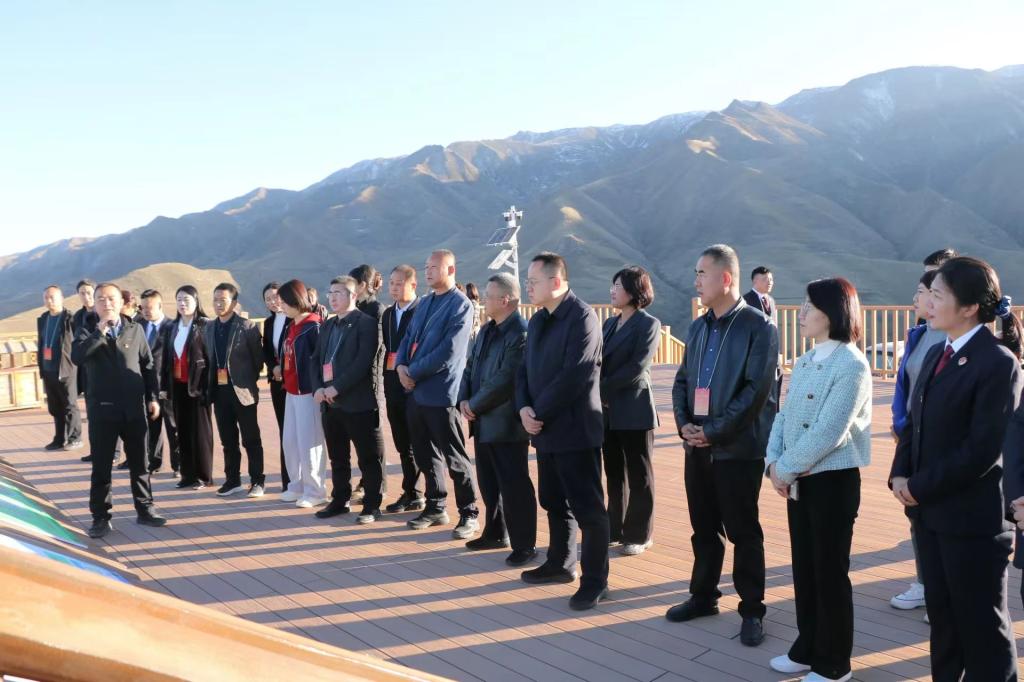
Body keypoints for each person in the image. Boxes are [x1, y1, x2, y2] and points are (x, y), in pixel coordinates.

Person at [890, 257, 1022, 681]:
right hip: (930, 514)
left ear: (969, 307)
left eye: (938, 295)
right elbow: (913, 424)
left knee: (983, 629)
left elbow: (982, 450)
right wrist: (899, 474)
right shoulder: (937, 352)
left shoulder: (998, 362)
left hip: (971, 521)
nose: (928, 303)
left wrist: (919, 486)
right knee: (944, 622)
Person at [667, 244, 778, 647]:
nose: (696, 281)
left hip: (737, 448)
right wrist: (684, 424)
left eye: (702, 273)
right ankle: (703, 596)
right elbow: (682, 381)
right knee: (703, 527)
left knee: (743, 531)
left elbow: (755, 393)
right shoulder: (698, 327)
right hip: (697, 444)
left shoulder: (759, 327)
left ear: (725, 278)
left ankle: (752, 609)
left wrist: (712, 431)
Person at [765, 278, 872, 682]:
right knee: (805, 569)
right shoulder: (808, 360)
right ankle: (807, 647)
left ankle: (835, 663)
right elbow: (783, 415)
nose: (802, 312)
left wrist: (785, 468)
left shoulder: (852, 365)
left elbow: (830, 432)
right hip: (798, 478)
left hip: (832, 482)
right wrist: (773, 463)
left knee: (829, 573)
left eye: (810, 306)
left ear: (834, 312)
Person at [516, 252, 609, 611]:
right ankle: (560, 563)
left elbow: (575, 375)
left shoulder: (582, 317)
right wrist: (523, 408)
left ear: (556, 282)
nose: (528, 286)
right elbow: (523, 370)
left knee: (588, 509)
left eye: (533, 281)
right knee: (553, 501)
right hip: (544, 429)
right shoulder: (539, 320)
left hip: (575, 430)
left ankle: (595, 580)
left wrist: (536, 412)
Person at [71, 283, 167, 538]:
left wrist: (153, 397)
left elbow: (148, 366)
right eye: (101, 299)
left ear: (121, 302)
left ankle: (145, 509)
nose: (107, 303)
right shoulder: (85, 329)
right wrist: (99, 333)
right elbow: (77, 357)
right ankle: (100, 517)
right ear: (95, 304)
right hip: (103, 411)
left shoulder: (134, 329)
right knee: (102, 466)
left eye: (112, 298)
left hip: (134, 408)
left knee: (140, 463)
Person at [395, 250, 478, 537]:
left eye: (434, 267)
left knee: (454, 457)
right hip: (415, 392)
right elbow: (408, 337)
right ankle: (435, 506)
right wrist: (401, 366)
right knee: (425, 454)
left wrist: (412, 372)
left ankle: (469, 512)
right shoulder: (426, 302)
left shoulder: (461, 305)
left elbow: (449, 351)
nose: (428, 271)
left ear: (451, 270)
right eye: (426, 267)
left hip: (441, 393)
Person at [459, 273, 537, 566]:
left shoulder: (520, 333)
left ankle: (524, 545)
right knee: (489, 481)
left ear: (505, 300)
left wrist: (474, 404)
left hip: (506, 423)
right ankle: (494, 532)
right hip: (481, 419)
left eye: (489, 296)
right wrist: (464, 399)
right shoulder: (487, 330)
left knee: (514, 485)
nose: (483, 300)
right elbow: (470, 367)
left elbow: (506, 380)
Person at [888, 270, 945, 613]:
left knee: (936, 512)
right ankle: (925, 584)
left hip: (936, 439)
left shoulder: (953, 340)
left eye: (924, 291)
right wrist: (899, 423)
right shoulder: (919, 334)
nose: (917, 298)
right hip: (911, 434)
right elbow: (903, 386)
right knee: (915, 512)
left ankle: (939, 591)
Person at [313, 276, 385, 524]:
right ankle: (340, 500)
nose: (332, 298)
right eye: (330, 293)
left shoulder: (366, 324)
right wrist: (318, 388)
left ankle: (372, 505)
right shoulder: (327, 325)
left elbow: (363, 362)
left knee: (368, 458)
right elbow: (315, 359)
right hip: (330, 404)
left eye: (339, 293)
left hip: (358, 403)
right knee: (338, 457)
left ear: (353, 296)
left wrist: (337, 387)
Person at [602, 266, 661, 556]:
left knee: (640, 474)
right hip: (608, 409)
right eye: (613, 285)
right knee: (614, 472)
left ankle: (639, 534)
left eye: (618, 285)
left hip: (634, 407)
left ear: (635, 291)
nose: (612, 290)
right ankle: (614, 528)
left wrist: (601, 389)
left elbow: (637, 367)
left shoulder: (648, 324)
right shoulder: (609, 324)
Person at [207, 283, 266, 498]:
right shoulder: (209, 328)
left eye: (223, 300)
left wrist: (245, 380)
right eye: (215, 299)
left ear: (234, 303)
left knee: (251, 439)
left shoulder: (247, 326)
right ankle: (232, 480)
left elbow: (258, 361)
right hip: (219, 392)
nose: (218, 304)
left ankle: (257, 481)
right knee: (228, 440)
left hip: (243, 392)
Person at [278, 279, 327, 508]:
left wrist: (319, 388)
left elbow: (320, 361)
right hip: (291, 390)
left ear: (296, 300)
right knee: (291, 441)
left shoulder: (313, 326)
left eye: (284, 302)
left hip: (308, 392)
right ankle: (296, 485)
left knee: (310, 442)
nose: (281, 306)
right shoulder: (292, 325)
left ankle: (315, 491)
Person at [381, 265, 425, 513]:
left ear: (413, 285)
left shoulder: (422, 311)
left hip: (414, 385)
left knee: (419, 441)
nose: (394, 288)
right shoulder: (388, 314)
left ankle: (425, 494)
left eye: (399, 283)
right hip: (392, 385)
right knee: (402, 444)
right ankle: (411, 493)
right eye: (391, 283)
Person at [163, 285, 214, 490]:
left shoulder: (204, 325)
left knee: (200, 433)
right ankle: (187, 474)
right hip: (178, 386)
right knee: (182, 431)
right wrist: (164, 386)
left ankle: (204, 476)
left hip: (198, 386)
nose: (182, 304)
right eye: (179, 300)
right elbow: (166, 359)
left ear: (196, 302)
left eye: (187, 300)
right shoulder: (172, 327)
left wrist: (209, 387)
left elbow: (210, 358)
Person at [349, 263, 386, 503]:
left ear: (362, 285)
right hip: (355, 382)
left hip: (371, 380)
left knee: (373, 436)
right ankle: (367, 481)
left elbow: (376, 349)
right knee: (361, 438)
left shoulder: (376, 310)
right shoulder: (356, 309)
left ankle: (377, 485)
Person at [138, 290, 179, 476]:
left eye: (150, 307)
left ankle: (178, 466)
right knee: (152, 427)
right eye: (143, 307)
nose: (146, 311)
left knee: (173, 428)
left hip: (168, 386)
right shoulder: (138, 326)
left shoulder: (173, 326)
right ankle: (154, 463)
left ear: (160, 306)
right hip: (146, 386)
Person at [37, 286, 82, 451]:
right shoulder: (43, 318)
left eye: (52, 297)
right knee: (55, 406)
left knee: (69, 404)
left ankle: (75, 438)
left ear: (61, 298)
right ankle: (59, 438)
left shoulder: (70, 318)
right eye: (46, 298)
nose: (49, 301)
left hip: (66, 367)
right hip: (48, 369)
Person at [261, 282, 291, 492]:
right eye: (268, 299)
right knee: (284, 430)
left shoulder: (294, 318)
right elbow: (266, 349)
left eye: (275, 297)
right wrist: (273, 367)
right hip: (277, 381)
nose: (273, 302)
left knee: (296, 431)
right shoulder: (269, 322)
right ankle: (287, 481)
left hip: (295, 383)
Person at [72, 279, 99, 463]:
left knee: (110, 413)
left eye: (89, 292)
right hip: (86, 371)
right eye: (82, 293)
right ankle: (95, 450)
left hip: (104, 369)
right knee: (92, 414)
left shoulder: (102, 313)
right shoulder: (78, 317)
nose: (86, 296)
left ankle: (114, 451)